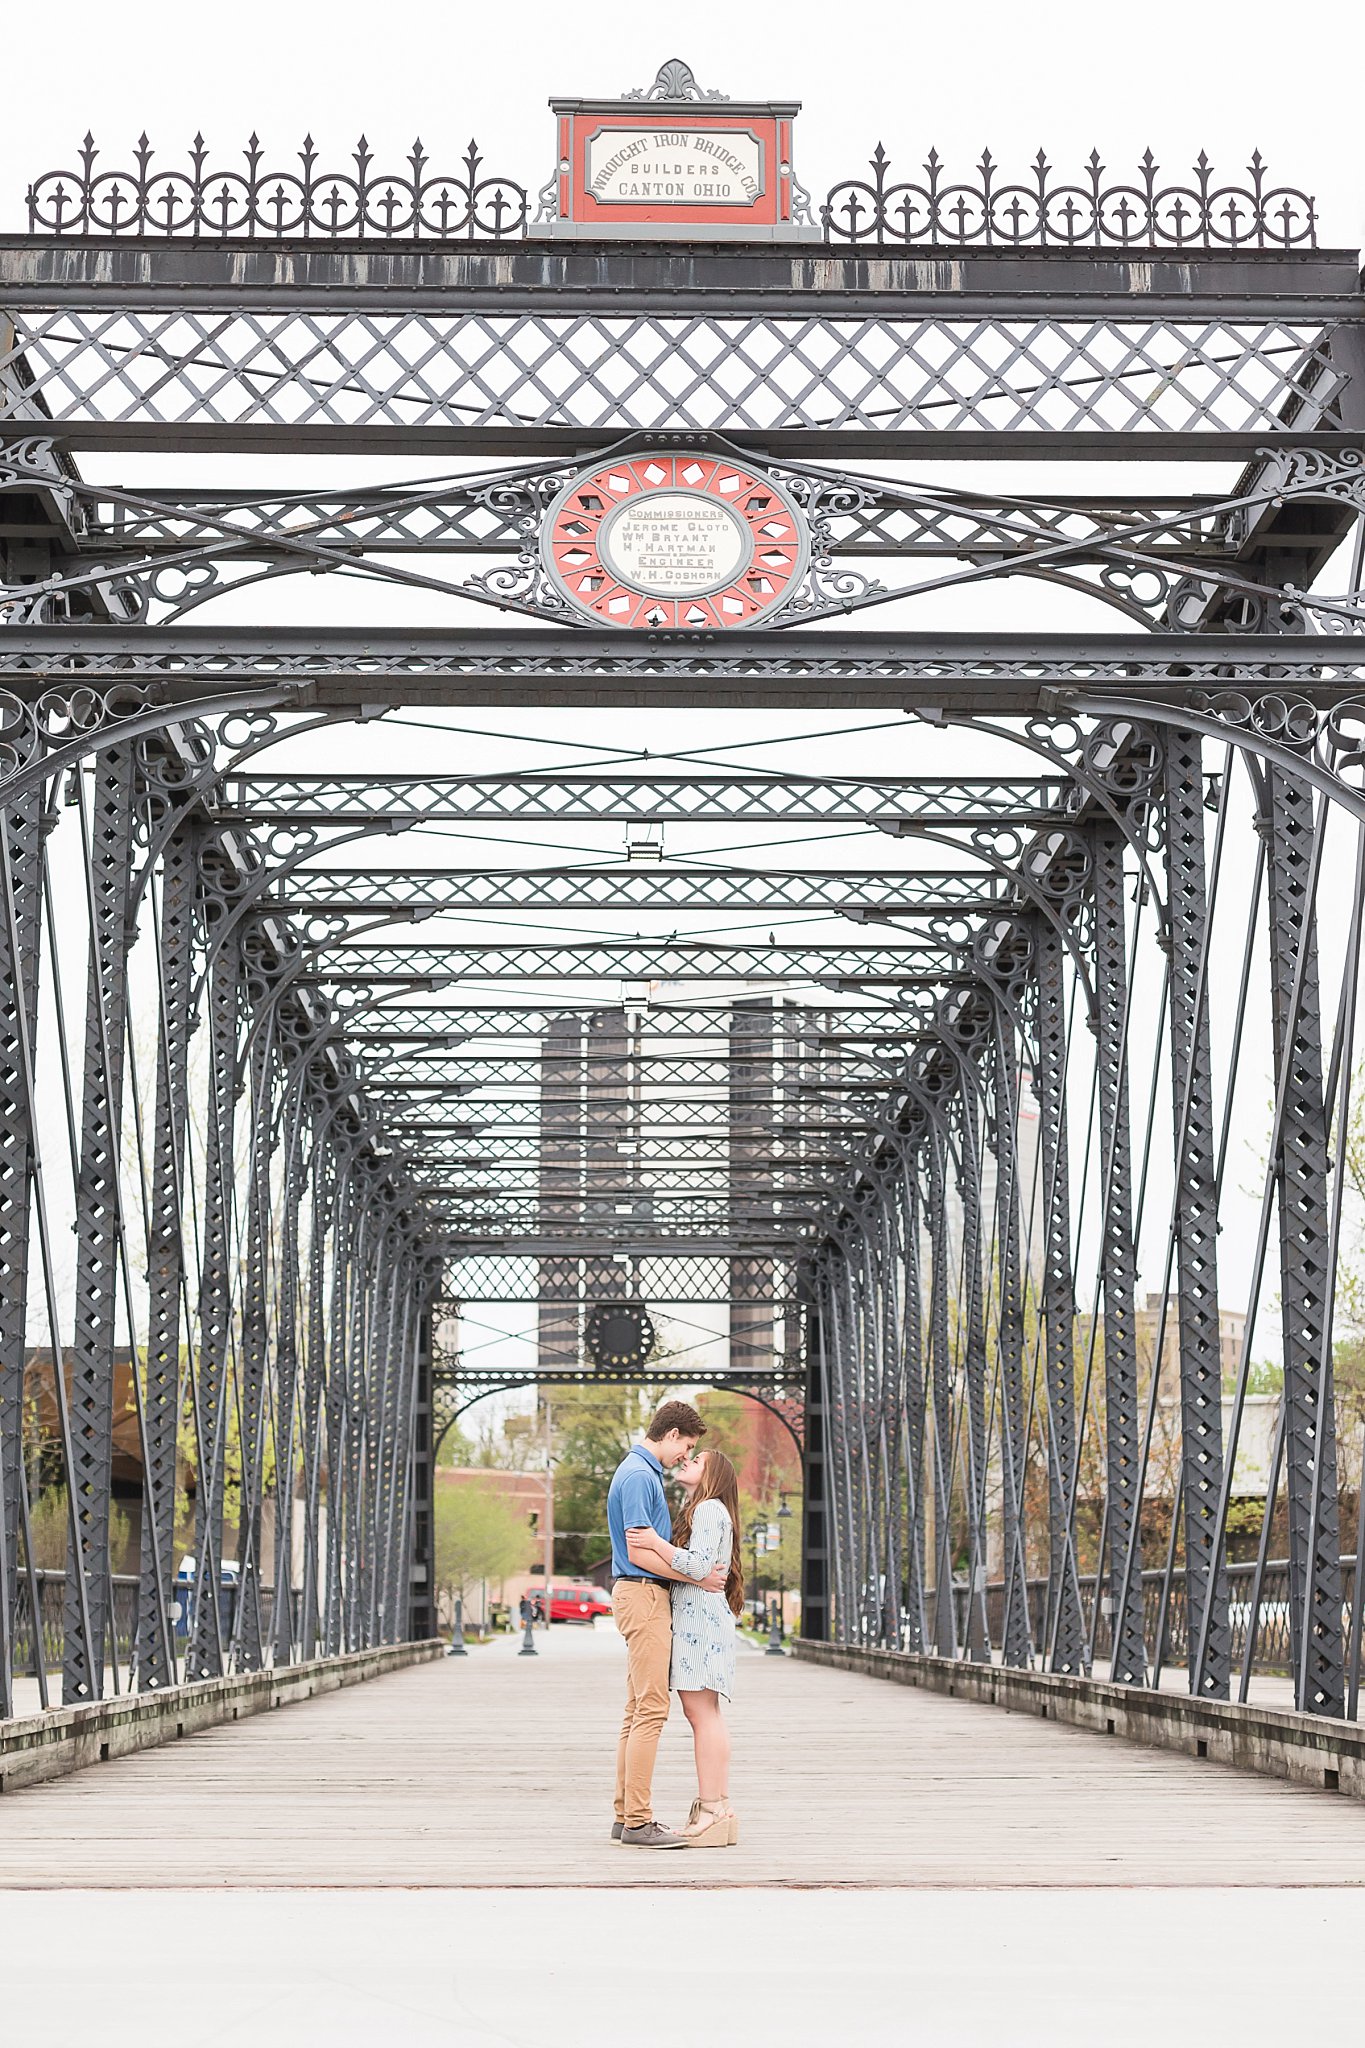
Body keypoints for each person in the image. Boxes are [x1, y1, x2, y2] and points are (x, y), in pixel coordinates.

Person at [606, 1400, 726, 1849]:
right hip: (643, 1593)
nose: (685, 1456)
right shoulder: (639, 1477)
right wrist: (699, 1575)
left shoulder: (640, 1472)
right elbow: (640, 1552)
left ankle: (625, 1816)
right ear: (672, 1434)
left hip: (639, 1593)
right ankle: (638, 1821)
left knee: (636, 1709)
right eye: (687, 1446)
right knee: (652, 1709)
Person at [627, 1446, 743, 1848]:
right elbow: (702, 1569)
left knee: (700, 1715)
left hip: (698, 1624)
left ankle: (711, 1811)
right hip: (705, 1620)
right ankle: (719, 1808)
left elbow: (697, 1566)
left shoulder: (710, 1509)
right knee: (706, 1714)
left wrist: (655, 1542)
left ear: (712, 1475)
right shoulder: (711, 1509)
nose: (686, 1461)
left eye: (697, 1460)